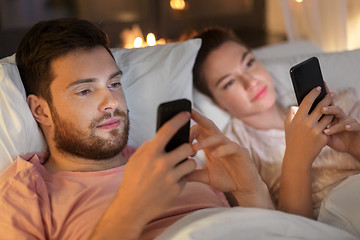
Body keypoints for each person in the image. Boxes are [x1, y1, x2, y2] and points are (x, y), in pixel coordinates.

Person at [0, 18, 274, 240]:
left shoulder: (170, 164)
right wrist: (131, 210)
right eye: (84, 90)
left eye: (114, 84)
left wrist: (251, 191)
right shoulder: (26, 192)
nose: (110, 102)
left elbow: (271, 233)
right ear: (40, 110)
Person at [192, 27, 360, 219]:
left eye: (249, 63)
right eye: (229, 83)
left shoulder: (341, 102)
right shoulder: (234, 151)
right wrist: (297, 161)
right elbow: (279, 230)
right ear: (218, 103)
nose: (250, 82)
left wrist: (355, 146)